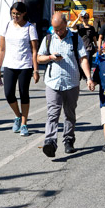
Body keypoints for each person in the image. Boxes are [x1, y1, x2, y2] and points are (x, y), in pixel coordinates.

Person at [38, 12, 91, 157]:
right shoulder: (48, 39)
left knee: (69, 113)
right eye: (55, 29)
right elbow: (38, 58)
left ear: (66, 25)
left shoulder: (75, 38)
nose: (58, 32)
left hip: (71, 82)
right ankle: (50, 142)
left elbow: (83, 58)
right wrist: (50, 57)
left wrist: (89, 77)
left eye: (60, 29)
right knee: (52, 114)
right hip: (53, 83)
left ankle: (68, 140)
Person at [0, 2, 39, 137]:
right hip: (9, 64)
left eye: (18, 14)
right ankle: (18, 116)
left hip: (25, 65)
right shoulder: (7, 25)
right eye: (13, 13)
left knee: (23, 93)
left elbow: (34, 50)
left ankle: (24, 123)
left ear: (24, 13)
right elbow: (1, 49)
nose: (15, 16)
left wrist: (36, 70)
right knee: (8, 93)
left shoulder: (30, 28)